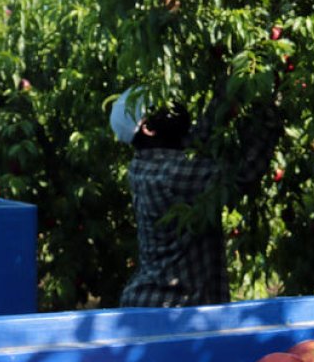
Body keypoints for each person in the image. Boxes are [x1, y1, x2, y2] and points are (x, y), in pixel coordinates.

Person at [110, 85, 282, 307]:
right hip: (170, 307)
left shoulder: (150, 160)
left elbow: (202, 134)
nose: (178, 106)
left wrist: (237, 81)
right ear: (149, 128)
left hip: (160, 304)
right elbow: (241, 174)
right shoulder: (166, 175)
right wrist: (270, 108)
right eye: (166, 107)